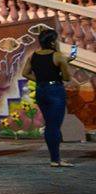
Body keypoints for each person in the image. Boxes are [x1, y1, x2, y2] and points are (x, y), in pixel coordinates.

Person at [20, 29, 75, 167]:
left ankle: (54, 159)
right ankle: (56, 160)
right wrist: (65, 64)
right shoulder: (58, 56)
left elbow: (25, 73)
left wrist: (40, 79)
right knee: (54, 126)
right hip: (55, 91)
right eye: (56, 40)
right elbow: (67, 77)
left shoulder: (33, 56)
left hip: (41, 90)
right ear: (52, 42)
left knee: (50, 124)